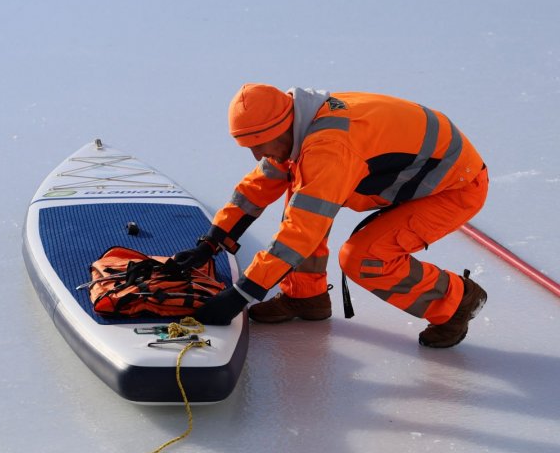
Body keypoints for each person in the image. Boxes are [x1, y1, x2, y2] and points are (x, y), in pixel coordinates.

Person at [175, 84, 489, 348]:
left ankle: (455, 299)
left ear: (280, 127)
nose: (257, 155)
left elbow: (301, 232)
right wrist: (212, 241)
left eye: (258, 145)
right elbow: (259, 185)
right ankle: (306, 296)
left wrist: (239, 296)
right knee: (302, 191)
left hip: (453, 187)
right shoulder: (299, 121)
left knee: (362, 258)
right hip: (413, 170)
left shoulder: (329, 147)